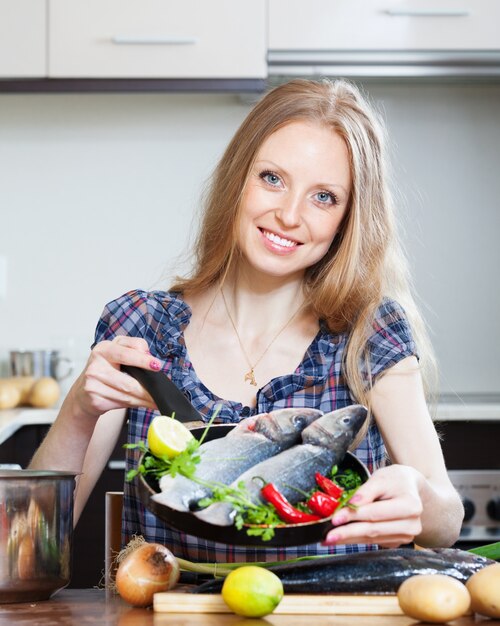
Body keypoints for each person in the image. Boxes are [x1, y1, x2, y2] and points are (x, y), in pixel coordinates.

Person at [29, 78, 463, 562]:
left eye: (324, 197)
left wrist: (418, 498)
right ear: (239, 178)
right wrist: (78, 411)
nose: (289, 215)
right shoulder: (141, 326)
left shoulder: (369, 331)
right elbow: (34, 542)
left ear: (348, 218)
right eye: (272, 178)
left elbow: (446, 522)